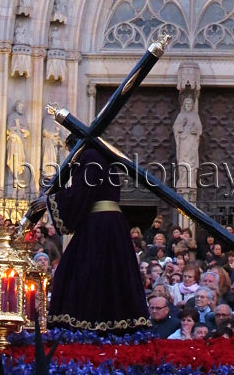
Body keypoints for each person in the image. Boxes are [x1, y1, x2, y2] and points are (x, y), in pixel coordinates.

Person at [30, 139, 149, 333]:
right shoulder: (104, 157)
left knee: (83, 273)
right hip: (109, 223)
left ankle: (86, 326)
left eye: (69, 149)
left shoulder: (89, 157)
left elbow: (81, 193)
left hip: (98, 225)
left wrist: (49, 201)